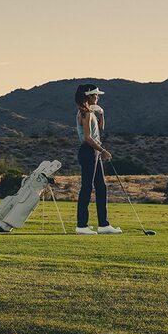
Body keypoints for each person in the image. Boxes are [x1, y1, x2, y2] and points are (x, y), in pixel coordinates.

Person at [73, 84, 121, 234]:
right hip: (89, 151)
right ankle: (81, 226)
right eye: (95, 95)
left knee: (101, 186)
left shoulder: (91, 112)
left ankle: (104, 225)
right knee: (87, 187)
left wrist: (102, 114)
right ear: (89, 96)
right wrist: (103, 151)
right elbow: (87, 138)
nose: (97, 97)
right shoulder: (84, 113)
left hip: (94, 151)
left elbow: (100, 129)